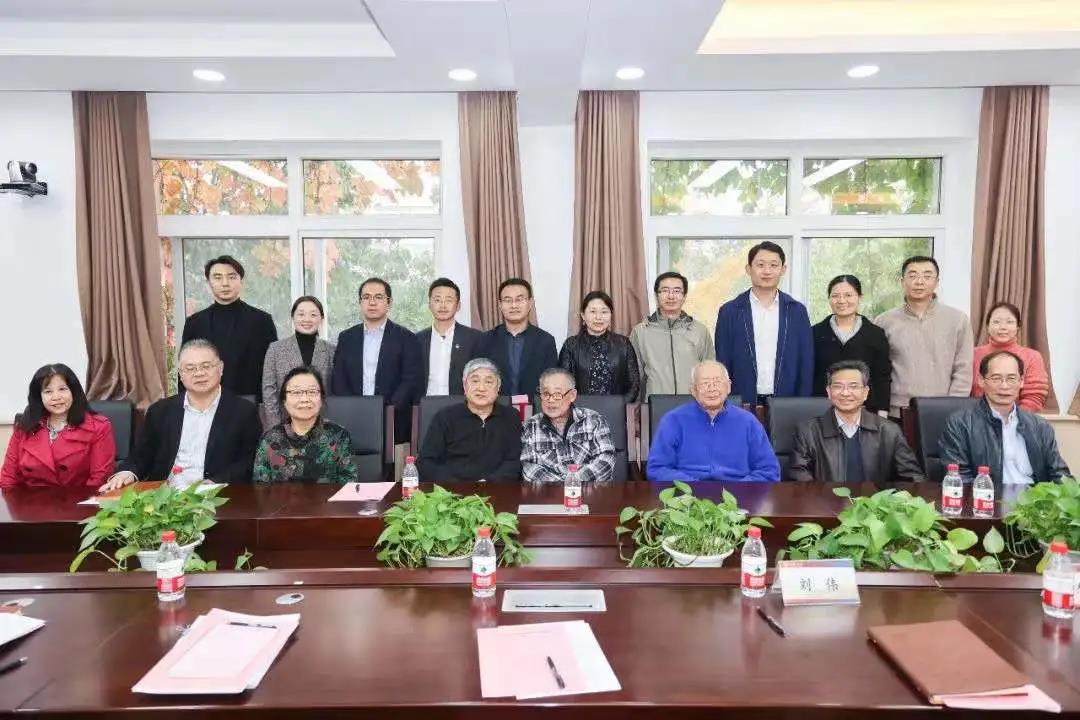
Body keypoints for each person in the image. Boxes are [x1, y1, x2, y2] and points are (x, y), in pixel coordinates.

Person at [99, 339, 262, 491]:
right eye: (190, 368)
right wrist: (127, 472)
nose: (199, 373)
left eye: (206, 366)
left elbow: (249, 461)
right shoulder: (160, 411)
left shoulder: (243, 411)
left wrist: (215, 482)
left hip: (216, 495)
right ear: (180, 374)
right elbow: (141, 456)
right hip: (165, 497)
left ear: (220, 368)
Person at [940, 350, 1069, 484]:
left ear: (1021, 381)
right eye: (996, 378)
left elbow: (1060, 474)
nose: (1004, 386)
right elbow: (960, 480)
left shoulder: (1040, 426)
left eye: (1011, 378)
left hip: (1033, 496)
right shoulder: (960, 424)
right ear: (981, 381)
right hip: (987, 496)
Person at [791, 361, 924, 484]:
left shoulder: (889, 431)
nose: (845, 393)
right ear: (829, 392)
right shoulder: (808, 432)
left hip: (875, 502)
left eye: (853, 386)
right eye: (838, 386)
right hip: (826, 501)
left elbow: (912, 477)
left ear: (865, 393)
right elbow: (799, 477)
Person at [646, 361, 779, 482]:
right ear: (693, 389)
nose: (712, 388)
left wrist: (737, 490)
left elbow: (769, 471)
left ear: (729, 387)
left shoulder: (749, 422)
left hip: (738, 494)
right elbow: (657, 469)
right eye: (705, 383)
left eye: (717, 382)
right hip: (686, 494)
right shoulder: (673, 421)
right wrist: (692, 487)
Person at [875, 256, 973, 418]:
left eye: (927, 276)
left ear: (937, 282)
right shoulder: (884, 321)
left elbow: (963, 368)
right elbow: (879, 370)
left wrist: (954, 406)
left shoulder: (957, 319)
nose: (919, 282)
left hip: (944, 409)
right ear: (902, 282)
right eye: (912, 275)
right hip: (897, 410)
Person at [715, 241, 813, 404]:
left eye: (774, 265)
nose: (767, 271)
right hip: (741, 401)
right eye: (760, 265)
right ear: (748, 269)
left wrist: (803, 403)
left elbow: (806, 362)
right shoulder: (730, 311)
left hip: (787, 402)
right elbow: (722, 361)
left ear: (783, 269)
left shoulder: (796, 311)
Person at [330, 277, 421, 449]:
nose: (372, 302)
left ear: (389, 302)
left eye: (378, 297)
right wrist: (354, 408)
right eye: (366, 297)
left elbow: (410, 380)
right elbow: (339, 378)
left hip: (394, 419)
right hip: (353, 419)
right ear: (360, 302)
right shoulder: (347, 337)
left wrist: (386, 409)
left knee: (393, 465)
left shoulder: (406, 337)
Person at [1, 364, 115, 490]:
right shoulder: (24, 426)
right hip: (32, 500)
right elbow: (8, 479)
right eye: (48, 391)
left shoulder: (98, 427)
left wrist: (83, 501)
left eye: (62, 389)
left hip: (79, 500)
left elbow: (99, 480)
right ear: (39, 396)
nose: (56, 397)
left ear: (74, 391)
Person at [181, 255, 278, 401]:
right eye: (218, 277)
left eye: (231, 277)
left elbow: (272, 370)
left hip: (250, 401)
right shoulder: (194, 323)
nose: (225, 283)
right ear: (208, 283)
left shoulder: (262, 321)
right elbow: (185, 368)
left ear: (241, 282)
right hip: (205, 401)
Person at [419, 358, 522, 482]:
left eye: (489, 382)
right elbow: (426, 463)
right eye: (475, 381)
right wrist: (459, 486)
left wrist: (488, 483)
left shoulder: (511, 417)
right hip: (452, 489)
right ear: (464, 386)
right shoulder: (445, 417)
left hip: (497, 488)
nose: (481, 388)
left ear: (498, 387)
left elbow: (514, 462)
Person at [253, 367, 356, 484]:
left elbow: (349, 486)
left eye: (312, 392)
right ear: (284, 401)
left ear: (321, 399)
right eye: (296, 392)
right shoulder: (270, 439)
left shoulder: (339, 436)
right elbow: (260, 488)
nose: (304, 399)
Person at [812, 275, 892, 415]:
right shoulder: (814, 333)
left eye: (848, 295)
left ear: (859, 297)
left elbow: (882, 377)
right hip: (822, 411)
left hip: (865, 411)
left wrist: (882, 412)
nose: (842, 301)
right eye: (835, 296)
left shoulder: (875, 334)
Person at [520, 368, 616, 483]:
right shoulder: (531, 426)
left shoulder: (594, 420)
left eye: (557, 394)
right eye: (545, 394)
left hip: (592, 490)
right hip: (549, 492)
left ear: (572, 395)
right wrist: (562, 486)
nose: (550, 400)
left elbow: (606, 459)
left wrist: (574, 482)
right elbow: (529, 468)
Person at [630, 271, 714, 399]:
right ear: (656, 295)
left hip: (692, 403)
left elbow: (709, 372)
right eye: (665, 290)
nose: (671, 296)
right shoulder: (640, 332)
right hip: (655, 404)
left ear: (684, 296)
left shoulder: (700, 330)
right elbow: (634, 378)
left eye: (677, 291)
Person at [261, 296, 336, 424]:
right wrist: (276, 427)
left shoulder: (331, 350)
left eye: (313, 315)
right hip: (285, 424)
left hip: (322, 424)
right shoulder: (275, 349)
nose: (307, 319)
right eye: (301, 314)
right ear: (293, 317)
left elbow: (334, 392)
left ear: (321, 319)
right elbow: (269, 391)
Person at [480, 278, 557, 400]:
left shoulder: (546, 341)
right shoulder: (486, 340)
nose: (514, 305)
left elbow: (552, 382)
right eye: (507, 300)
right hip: (496, 408)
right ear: (500, 305)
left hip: (534, 408)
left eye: (519, 299)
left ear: (530, 303)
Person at [558, 291, 640, 402]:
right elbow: (563, 384)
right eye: (593, 311)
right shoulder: (571, 345)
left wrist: (619, 406)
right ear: (583, 315)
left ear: (611, 315)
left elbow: (634, 384)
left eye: (604, 312)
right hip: (581, 409)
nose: (598, 317)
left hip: (616, 409)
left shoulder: (624, 344)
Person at [972, 301, 1049, 412]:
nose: (1003, 327)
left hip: (1018, 418)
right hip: (976, 416)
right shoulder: (973, 354)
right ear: (988, 326)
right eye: (996, 322)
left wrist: (1014, 419)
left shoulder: (1032, 357)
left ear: (1018, 327)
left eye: (1009, 322)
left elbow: (1034, 397)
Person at [415, 278, 484, 396]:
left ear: (458, 306)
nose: (443, 305)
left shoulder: (475, 338)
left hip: (461, 404)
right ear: (429, 304)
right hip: (425, 403)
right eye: (437, 300)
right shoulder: (416, 340)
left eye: (449, 300)